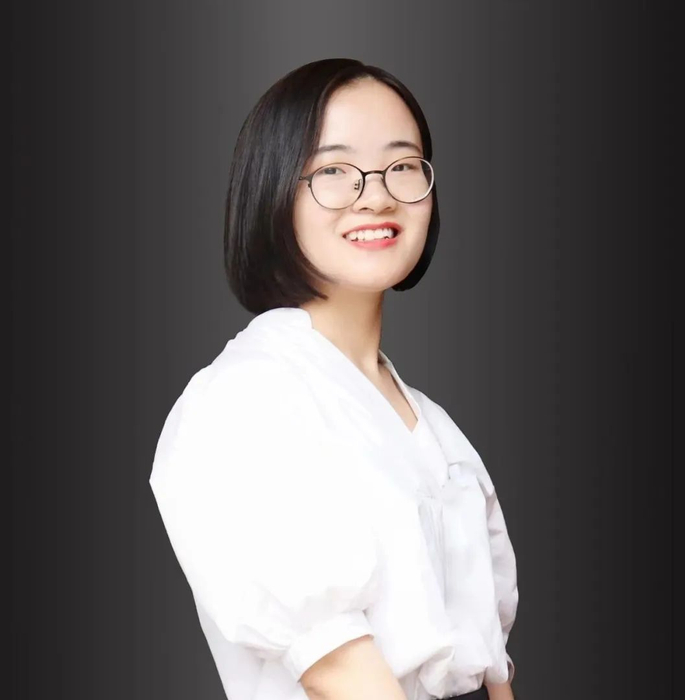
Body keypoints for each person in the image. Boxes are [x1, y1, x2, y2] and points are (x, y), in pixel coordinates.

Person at [149, 58, 518, 700]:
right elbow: (341, 673)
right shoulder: (244, 400)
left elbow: (490, 670)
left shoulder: (432, 425)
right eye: (334, 171)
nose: (376, 195)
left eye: (402, 165)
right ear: (274, 191)